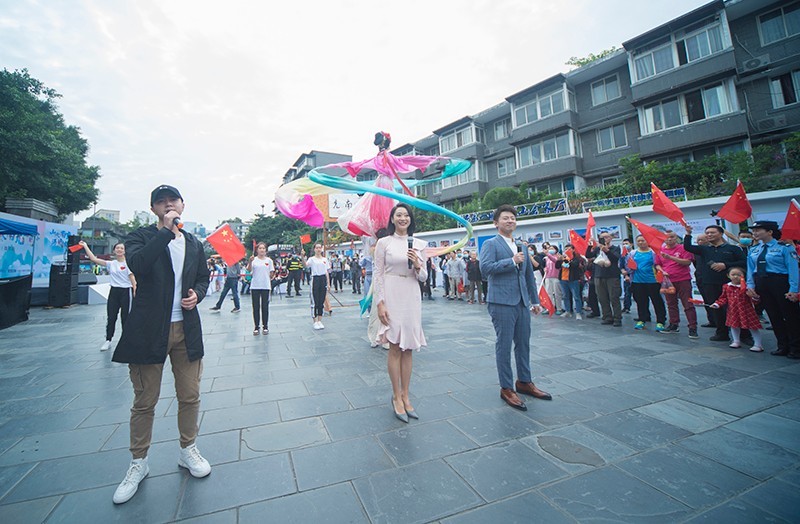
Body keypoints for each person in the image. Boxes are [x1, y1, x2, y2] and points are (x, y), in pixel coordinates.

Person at [111, 184, 211, 505]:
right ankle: (138, 462)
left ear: (183, 205)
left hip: (186, 328)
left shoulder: (194, 243)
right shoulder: (140, 237)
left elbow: (203, 277)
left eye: (173, 200)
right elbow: (138, 265)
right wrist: (166, 232)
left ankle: (188, 449)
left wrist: (198, 294)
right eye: (161, 202)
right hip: (148, 330)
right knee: (145, 400)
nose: (168, 205)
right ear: (153, 208)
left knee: (190, 394)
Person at [480, 204, 551, 412]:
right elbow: (485, 269)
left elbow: (528, 275)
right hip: (501, 302)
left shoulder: (522, 246)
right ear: (496, 223)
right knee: (504, 345)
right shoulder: (491, 244)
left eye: (512, 218)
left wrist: (535, 301)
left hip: (521, 302)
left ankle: (525, 381)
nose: (510, 221)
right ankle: (507, 387)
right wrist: (511, 261)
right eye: (505, 218)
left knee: (523, 343)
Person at [373, 204, 428, 422]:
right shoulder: (384, 243)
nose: (403, 218)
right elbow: (378, 274)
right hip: (391, 293)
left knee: (409, 348)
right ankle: (396, 396)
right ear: (392, 219)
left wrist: (417, 264)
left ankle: (406, 395)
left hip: (411, 295)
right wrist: (380, 303)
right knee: (395, 346)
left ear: (410, 219)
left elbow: (423, 277)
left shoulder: (419, 244)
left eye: (406, 215)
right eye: (399, 215)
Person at [746, 220, 800, 358]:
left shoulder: (785, 248)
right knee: (774, 315)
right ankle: (782, 345)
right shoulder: (754, 249)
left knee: (790, 315)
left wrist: (794, 289)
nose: (755, 233)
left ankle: (796, 347)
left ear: (770, 232)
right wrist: (750, 286)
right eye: (754, 230)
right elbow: (750, 270)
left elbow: (793, 269)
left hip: (780, 282)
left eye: (758, 230)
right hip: (762, 282)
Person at [684, 224, 746, 342]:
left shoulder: (733, 249)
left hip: (729, 284)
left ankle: (744, 334)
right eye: (707, 233)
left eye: (712, 232)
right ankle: (722, 333)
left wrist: (725, 265)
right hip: (710, 283)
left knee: (735, 308)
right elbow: (687, 247)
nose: (709, 235)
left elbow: (743, 262)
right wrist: (688, 233)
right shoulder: (704, 249)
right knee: (716, 308)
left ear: (721, 234)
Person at [79, 240, 137, 351]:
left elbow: (132, 278)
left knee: (125, 317)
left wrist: (135, 290)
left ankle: (126, 341)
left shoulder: (128, 263)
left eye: (122, 248)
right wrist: (85, 246)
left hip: (126, 292)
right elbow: (93, 259)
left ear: (125, 251)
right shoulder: (111, 264)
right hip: (114, 292)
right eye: (117, 248)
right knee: (111, 317)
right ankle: (108, 340)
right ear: (114, 250)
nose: (119, 250)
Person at [711, 267, 762, 351]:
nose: (735, 277)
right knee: (734, 326)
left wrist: (755, 297)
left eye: (739, 275)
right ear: (728, 276)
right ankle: (736, 341)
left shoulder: (747, 287)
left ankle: (758, 344)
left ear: (744, 276)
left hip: (747, 310)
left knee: (753, 327)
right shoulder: (726, 286)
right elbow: (723, 298)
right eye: (733, 274)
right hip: (733, 310)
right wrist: (717, 304)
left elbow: (755, 301)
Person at [659, 231, 698, 338]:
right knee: (671, 303)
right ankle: (673, 324)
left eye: (672, 237)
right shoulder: (660, 250)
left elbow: (688, 262)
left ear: (676, 237)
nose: (669, 239)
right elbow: (658, 264)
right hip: (668, 281)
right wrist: (662, 271)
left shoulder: (683, 248)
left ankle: (692, 327)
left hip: (683, 279)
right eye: (667, 237)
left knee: (688, 304)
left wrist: (671, 257)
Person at [626, 235, 667, 331]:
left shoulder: (654, 253)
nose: (641, 243)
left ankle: (661, 321)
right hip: (637, 281)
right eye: (639, 241)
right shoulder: (633, 253)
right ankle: (642, 320)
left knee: (657, 301)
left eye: (643, 240)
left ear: (647, 241)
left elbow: (659, 264)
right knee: (641, 302)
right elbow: (628, 266)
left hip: (653, 281)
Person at [588, 232, 623, 326]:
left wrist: (607, 251)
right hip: (599, 275)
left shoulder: (615, 248)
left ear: (610, 238)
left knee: (614, 297)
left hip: (612, 276)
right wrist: (590, 245)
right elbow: (588, 255)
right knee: (602, 298)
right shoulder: (597, 249)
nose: (605, 239)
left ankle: (617, 318)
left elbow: (615, 259)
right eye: (602, 238)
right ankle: (607, 316)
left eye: (606, 237)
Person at [247, 243, 274, 335]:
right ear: (257, 250)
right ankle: (256, 327)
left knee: (265, 307)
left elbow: (271, 272)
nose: (262, 250)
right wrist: (250, 261)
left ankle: (265, 326)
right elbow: (249, 270)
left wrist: (270, 276)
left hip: (265, 286)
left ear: (266, 250)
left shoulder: (269, 260)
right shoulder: (253, 260)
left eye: (263, 248)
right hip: (255, 286)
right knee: (256, 307)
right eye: (260, 248)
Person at [556, 244, 585, 319]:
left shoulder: (576, 258)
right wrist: (559, 260)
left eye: (569, 249)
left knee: (576, 296)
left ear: (573, 250)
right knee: (565, 296)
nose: (567, 250)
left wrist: (565, 260)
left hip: (573, 279)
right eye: (566, 249)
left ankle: (578, 312)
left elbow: (573, 265)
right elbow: (557, 266)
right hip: (563, 279)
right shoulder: (563, 257)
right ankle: (568, 311)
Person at [307, 243, 331, 329]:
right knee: (315, 301)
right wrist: (302, 256)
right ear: (314, 249)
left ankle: (320, 320)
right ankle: (315, 320)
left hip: (323, 279)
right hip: (315, 279)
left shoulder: (325, 259)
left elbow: (326, 272)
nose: (318, 249)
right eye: (316, 248)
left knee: (321, 300)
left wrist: (328, 283)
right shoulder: (311, 259)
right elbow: (305, 265)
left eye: (319, 248)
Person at [543, 245, 564, 314]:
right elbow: (547, 265)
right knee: (549, 293)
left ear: (556, 250)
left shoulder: (558, 257)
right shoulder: (547, 258)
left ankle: (559, 308)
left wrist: (547, 254)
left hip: (556, 277)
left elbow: (555, 261)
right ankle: (550, 308)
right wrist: (545, 268)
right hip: (548, 277)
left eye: (552, 248)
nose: (550, 250)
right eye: (549, 249)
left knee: (557, 293)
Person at [620, 238, 633, 313]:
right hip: (627, 275)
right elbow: (621, 266)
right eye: (623, 244)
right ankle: (626, 307)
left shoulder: (635, 253)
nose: (625, 245)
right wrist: (624, 273)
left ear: (631, 244)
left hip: (636, 275)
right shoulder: (623, 255)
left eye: (626, 243)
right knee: (627, 292)